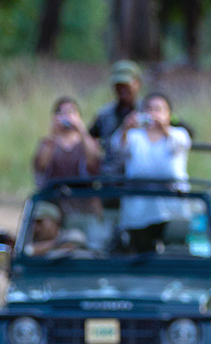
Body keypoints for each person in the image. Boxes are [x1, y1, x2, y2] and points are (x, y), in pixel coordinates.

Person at [118, 91, 192, 252]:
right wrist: (125, 127)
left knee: (174, 247)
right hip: (139, 206)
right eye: (149, 109)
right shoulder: (134, 136)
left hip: (172, 206)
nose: (153, 114)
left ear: (169, 114)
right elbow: (117, 148)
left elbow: (181, 145)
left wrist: (164, 128)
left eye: (158, 109)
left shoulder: (178, 134)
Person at [89, 60, 143, 177]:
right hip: (110, 177)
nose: (122, 89)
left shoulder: (148, 111)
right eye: (118, 85)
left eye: (126, 85)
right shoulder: (104, 115)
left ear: (138, 83)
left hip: (139, 176)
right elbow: (89, 136)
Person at [32, 97, 101, 187]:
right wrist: (53, 133)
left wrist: (81, 129)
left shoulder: (86, 142)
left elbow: (94, 161)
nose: (67, 116)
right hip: (54, 195)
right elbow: (41, 165)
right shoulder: (48, 143)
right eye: (61, 112)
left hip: (82, 194)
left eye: (71, 111)